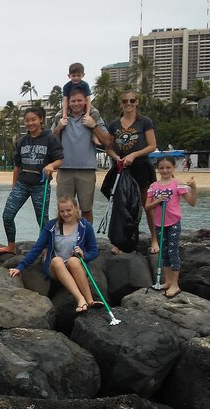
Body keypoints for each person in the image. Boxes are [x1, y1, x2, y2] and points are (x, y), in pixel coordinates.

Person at [9, 196, 100, 313]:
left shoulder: (85, 226)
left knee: (73, 261)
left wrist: (84, 255)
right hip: (56, 268)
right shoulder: (51, 226)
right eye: (62, 211)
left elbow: (94, 251)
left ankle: (90, 300)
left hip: (75, 265)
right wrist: (20, 267)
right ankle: (80, 299)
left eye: (69, 210)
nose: (65, 214)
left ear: (76, 208)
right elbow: (37, 248)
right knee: (57, 261)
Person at [0, 107, 64, 255]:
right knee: (7, 215)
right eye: (27, 120)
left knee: (42, 220)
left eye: (33, 119)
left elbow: (60, 160)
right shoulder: (22, 141)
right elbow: (17, 165)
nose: (30, 123)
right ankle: (11, 246)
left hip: (41, 185)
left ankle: (46, 248)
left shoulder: (50, 138)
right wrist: (14, 185)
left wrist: (51, 165)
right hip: (22, 184)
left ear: (41, 120)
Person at [105, 90, 159, 254]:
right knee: (123, 206)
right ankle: (121, 242)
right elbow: (109, 148)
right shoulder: (114, 124)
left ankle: (155, 239)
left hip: (141, 167)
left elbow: (152, 145)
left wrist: (134, 155)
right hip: (122, 168)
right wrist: (117, 157)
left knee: (147, 204)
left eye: (132, 100)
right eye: (125, 101)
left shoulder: (145, 122)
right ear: (121, 103)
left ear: (137, 102)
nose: (128, 104)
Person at [51, 88, 111, 222]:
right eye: (73, 101)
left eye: (79, 100)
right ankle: (64, 238)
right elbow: (51, 142)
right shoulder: (60, 117)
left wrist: (93, 125)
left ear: (85, 101)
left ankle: (86, 239)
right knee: (63, 209)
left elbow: (107, 141)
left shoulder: (93, 116)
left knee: (86, 209)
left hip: (87, 170)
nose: (76, 104)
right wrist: (59, 127)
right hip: (64, 169)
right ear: (68, 102)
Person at [145, 157, 198, 298]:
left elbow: (192, 202)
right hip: (159, 223)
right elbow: (147, 206)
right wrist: (158, 201)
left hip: (173, 222)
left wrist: (193, 188)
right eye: (161, 168)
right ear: (157, 169)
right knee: (164, 252)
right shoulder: (153, 186)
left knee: (173, 252)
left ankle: (175, 284)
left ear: (173, 167)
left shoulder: (177, 184)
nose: (165, 170)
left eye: (168, 167)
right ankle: (167, 282)